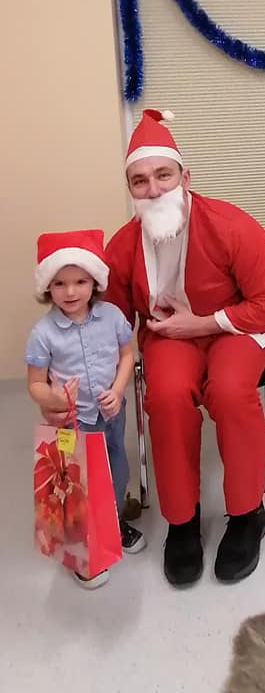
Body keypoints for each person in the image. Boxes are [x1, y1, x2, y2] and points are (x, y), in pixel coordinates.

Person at [104, 109, 265, 588]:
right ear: (131, 188)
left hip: (234, 329)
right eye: (140, 180)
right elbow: (113, 320)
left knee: (229, 392)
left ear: (185, 177)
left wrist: (203, 323)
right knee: (165, 397)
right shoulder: (123, 245)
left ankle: (247, 514)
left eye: (163, 175)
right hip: (169, 337)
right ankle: (182, 523)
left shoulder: (233, 226)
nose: (153, 189)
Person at [26, 230, 146, 588]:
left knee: (117, 469)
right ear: (48, 288)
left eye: (80, 281)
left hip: (111, 413)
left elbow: (127, 354)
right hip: (73, 423)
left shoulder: (111, 316)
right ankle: (82, 550)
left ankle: (115, 522)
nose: (71, 292)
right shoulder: (43, 333)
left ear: (95, 283)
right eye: (60, 283)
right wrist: (56, 399)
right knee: (78, 483)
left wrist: (118, 389)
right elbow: (35, 385)